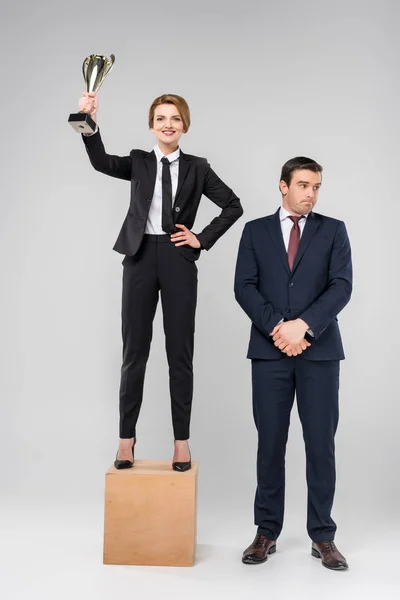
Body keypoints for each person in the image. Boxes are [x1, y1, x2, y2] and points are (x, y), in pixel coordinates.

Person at [79, 92, 243, 471]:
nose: (168, 124)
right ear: (151, 125)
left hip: (177, 258)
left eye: (175, 118)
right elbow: (101, 161)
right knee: (133, 352)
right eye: (160, 118)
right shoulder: (138, 161)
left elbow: (233, 204)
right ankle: (126, 439)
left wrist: (201, 237)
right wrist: (87, 121)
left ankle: (181, 442)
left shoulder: (198, 167)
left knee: (179, 354)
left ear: (184, 125)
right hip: (138, 257)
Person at [234, 157, 352, 570]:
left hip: (319, 353)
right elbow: (244, 287)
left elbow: (341, 287)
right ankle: (266, 532)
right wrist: (278, 329)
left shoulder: (334, 230)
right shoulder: (254, 231)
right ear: (283, 186)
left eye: (316, 186)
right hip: (269, 353)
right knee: (270, 445)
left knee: (321, 445)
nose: (311, 194)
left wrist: (303, 326)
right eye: (303, 185)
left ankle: (323, 536)